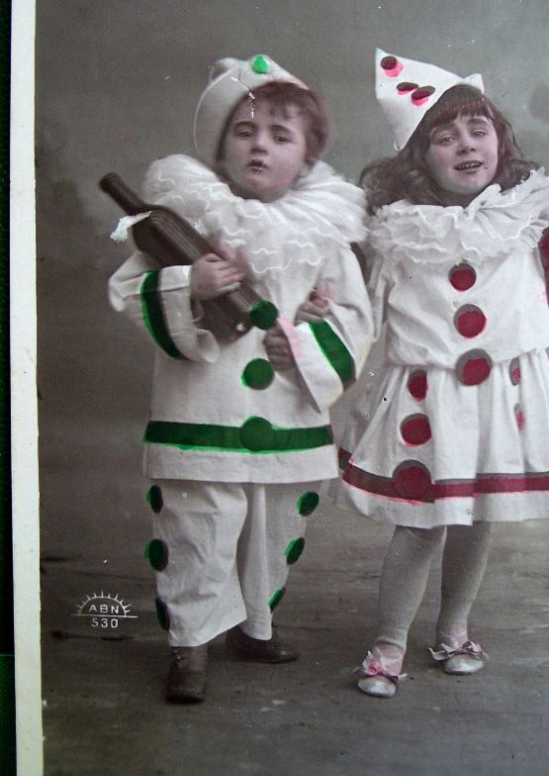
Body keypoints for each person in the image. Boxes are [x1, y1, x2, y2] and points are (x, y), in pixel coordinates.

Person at [334, 49, 549, 697]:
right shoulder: (395, 230)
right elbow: (356, 303)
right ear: (418, 159)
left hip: (505, 393)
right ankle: (388, 644)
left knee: (479, 516)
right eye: (443, 138)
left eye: (477, 129)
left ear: (501, 138)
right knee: (422, 523)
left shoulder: (528, 212)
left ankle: (452, 628)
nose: (465, 145)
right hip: (427, 397)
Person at [108, 54, 373, 704]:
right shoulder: (185, 218)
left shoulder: (322, 229)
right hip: (205, 405)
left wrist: (307, 343)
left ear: (307, 157)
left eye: (282, 135)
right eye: (246, 130)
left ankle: (255, 624)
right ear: (221, 146)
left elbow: (353, 312)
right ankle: (190, 641)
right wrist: (187, 284)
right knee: (199, 527)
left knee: (273, 528)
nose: (261, 144)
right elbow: (126, 288)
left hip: (288, 415)